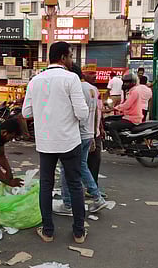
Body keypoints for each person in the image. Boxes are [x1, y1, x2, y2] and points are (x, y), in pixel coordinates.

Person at [22, 41, 89, 244]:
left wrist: (46, 112)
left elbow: (26, 112)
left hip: (46, 143)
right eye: (70, 56)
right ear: (62, 58)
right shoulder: (71, 79)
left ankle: (48, 231)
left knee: (46, 185)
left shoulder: (35, 81)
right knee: (75, 185)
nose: (71, 60)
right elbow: (83, 113)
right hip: (69, 141)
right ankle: (78, 232)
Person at [54, 66, 106, 217]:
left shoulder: (76, 88)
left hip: (76, 135)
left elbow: (75, 113)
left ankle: (68, 204)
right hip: (89, 133)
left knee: (65, 168)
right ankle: (97, 197)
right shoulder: (93, 90)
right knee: (82, 166)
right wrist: (94, 133)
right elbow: (96, 112)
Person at [106, 73, 143, 151]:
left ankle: (119, 146)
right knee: (112, 119)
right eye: (125, 82)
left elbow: (127, 105)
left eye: (127, 82)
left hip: (132, 118)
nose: (125, 84)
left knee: (112, 126)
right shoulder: (130, 91)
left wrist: (114, 108)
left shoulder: (134, 92)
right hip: (128, 116)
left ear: (132, 82)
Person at [87, 71, 104, 190]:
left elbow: (98, 111)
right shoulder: (80, 89)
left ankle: (93, 188)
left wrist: (101, 127)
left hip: (95, 132)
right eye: (91, 73)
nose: (95, 76)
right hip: (86, 133)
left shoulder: (95, 90)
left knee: (95, 160)